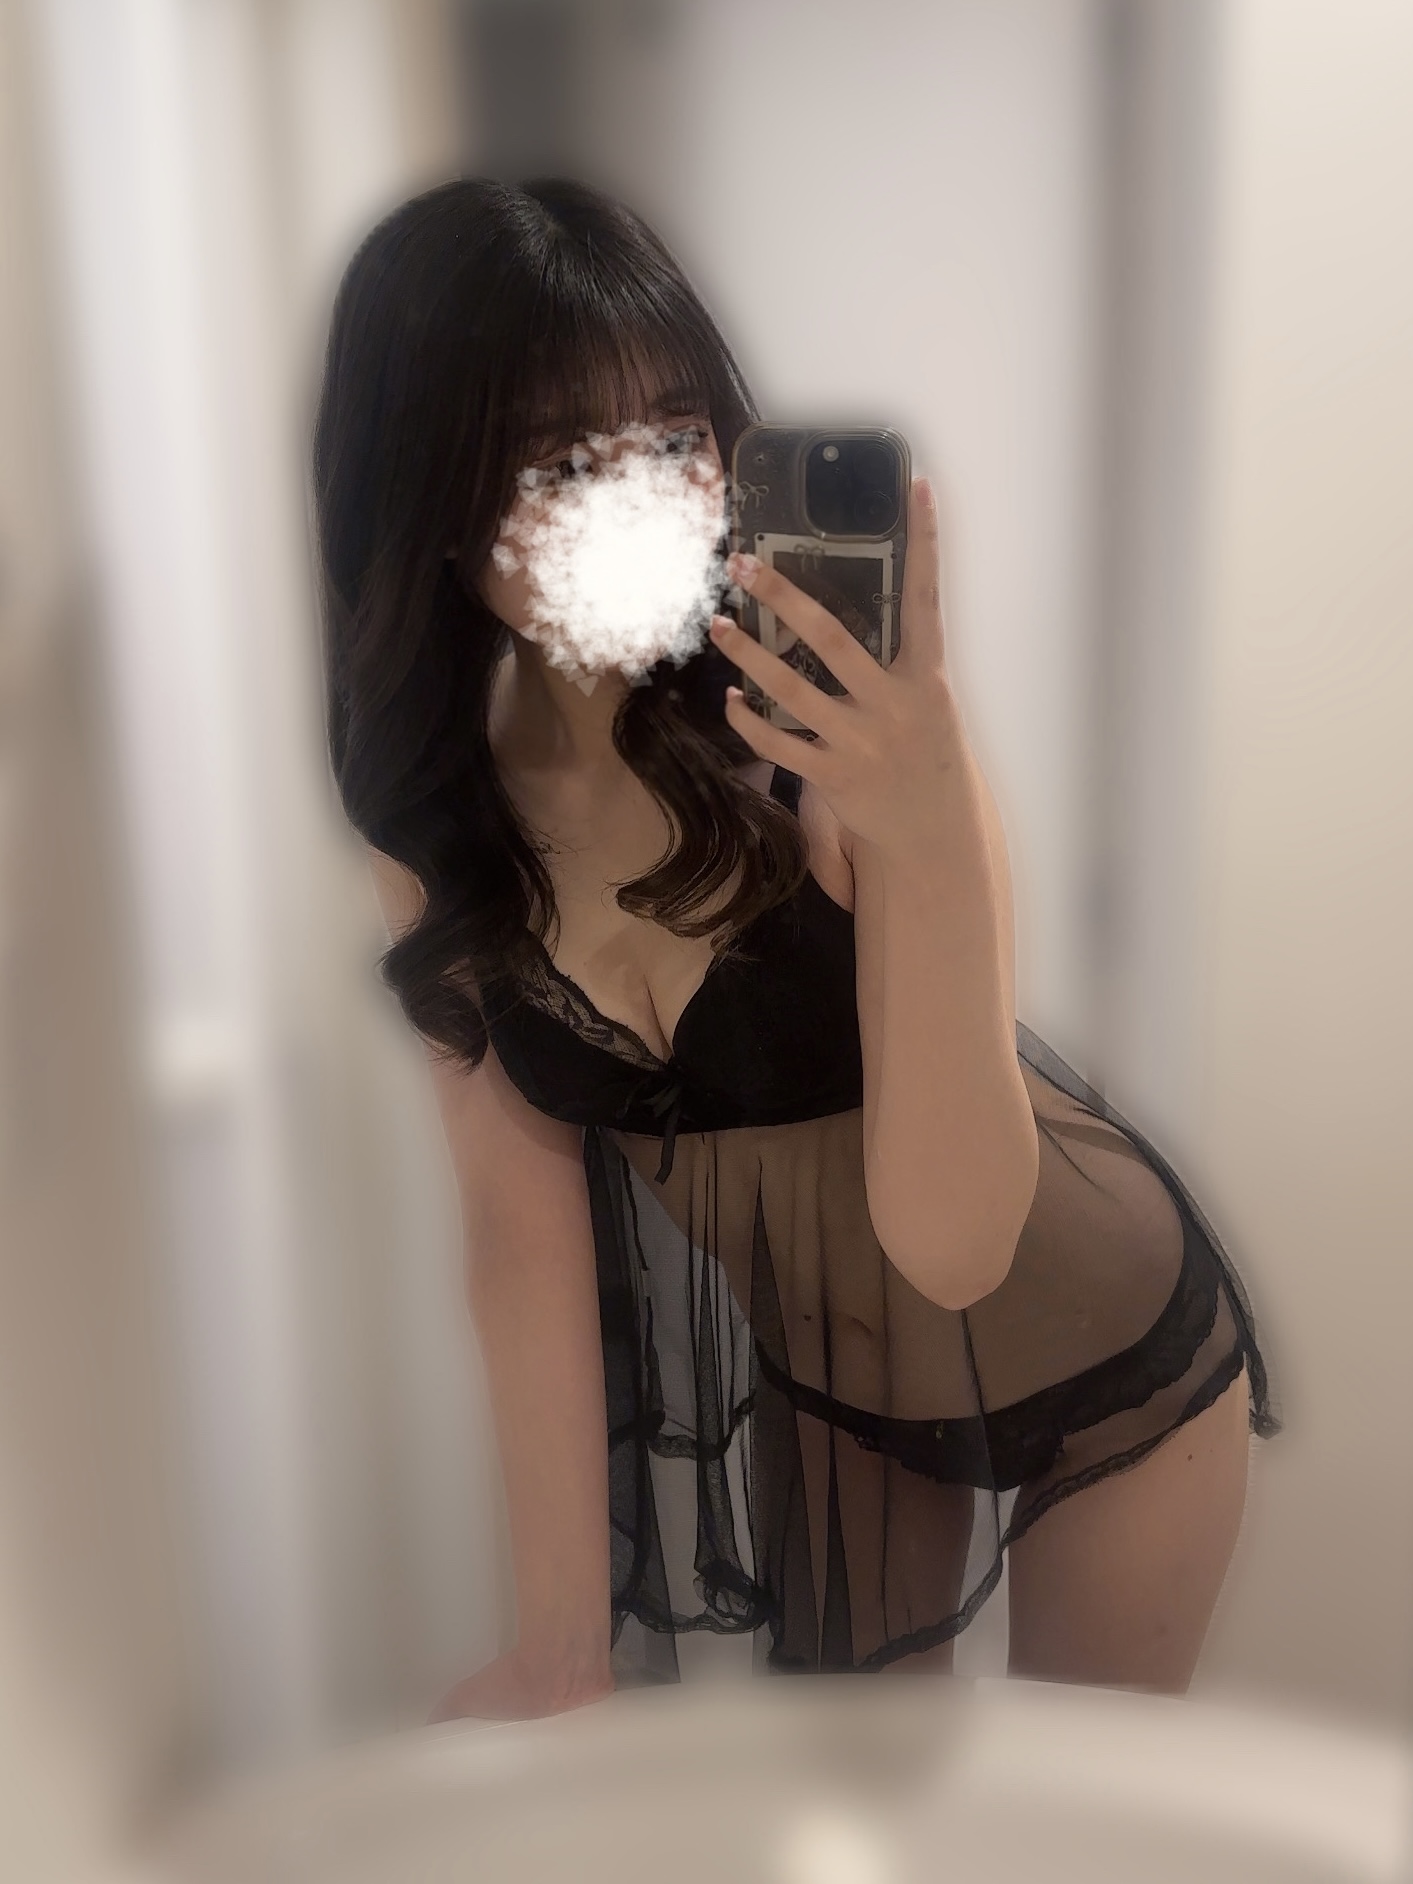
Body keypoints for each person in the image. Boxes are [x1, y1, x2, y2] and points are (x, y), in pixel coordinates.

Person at [312, 176, 1277, 1720]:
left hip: (1101, 1357)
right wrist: (560, 1645)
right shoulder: (435, 830)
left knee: (1063, 1814)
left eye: (674, 438)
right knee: (847, 1813)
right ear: (425, 503)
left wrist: (926, 831)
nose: (643, 505)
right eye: (559, 462)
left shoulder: (833, 761)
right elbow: (516, 1226)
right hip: (836, 1389)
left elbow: (955, 1248)